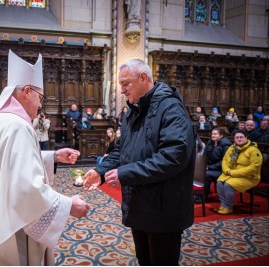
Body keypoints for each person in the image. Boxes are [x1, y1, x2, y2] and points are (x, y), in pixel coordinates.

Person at [0, 50, 89, 266]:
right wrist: (69, 205)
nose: (40, 105)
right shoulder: (17, 126)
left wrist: (53, 156)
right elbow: (27, 189)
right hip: (11, 224)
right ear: (27, 91)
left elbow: (5, 162)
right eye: (40, 97)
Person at [82, 59, 196, 265]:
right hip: (140, 202)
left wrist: (125, 175)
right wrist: (101, 170)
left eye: (126, 83)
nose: (122, 90)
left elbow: (173, 156)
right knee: (144, 259)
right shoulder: (133, 111)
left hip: (164, 207)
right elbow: (121, 150)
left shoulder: (170, 108)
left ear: (144, 78)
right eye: (121, 85)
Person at [215, 130, 262, 215]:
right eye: (237, 137)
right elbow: (224, 161)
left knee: (228, 184)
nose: (239, 139)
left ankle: (229, 207)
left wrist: (232, 173)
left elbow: (254, 168)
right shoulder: (232, 148)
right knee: (219, 181)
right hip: (232, 174)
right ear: (234, 139)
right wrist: (226, 171)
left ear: (246, 138)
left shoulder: (253, 150)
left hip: (250, 177)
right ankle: (223, 205)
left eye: (241, 137)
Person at [202, 128, 232, 199]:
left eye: (215, 134)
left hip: (221, 170)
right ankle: (201, 192)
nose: (213, 135)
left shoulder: (226, 145)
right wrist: (202, 165)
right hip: (210, 167)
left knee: (206, 174)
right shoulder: (210, 142)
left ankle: (203, 196)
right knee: (196, 170)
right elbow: (205, 154)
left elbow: (224, 162)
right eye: (212, 134)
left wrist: (209, 167)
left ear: (221, 135)